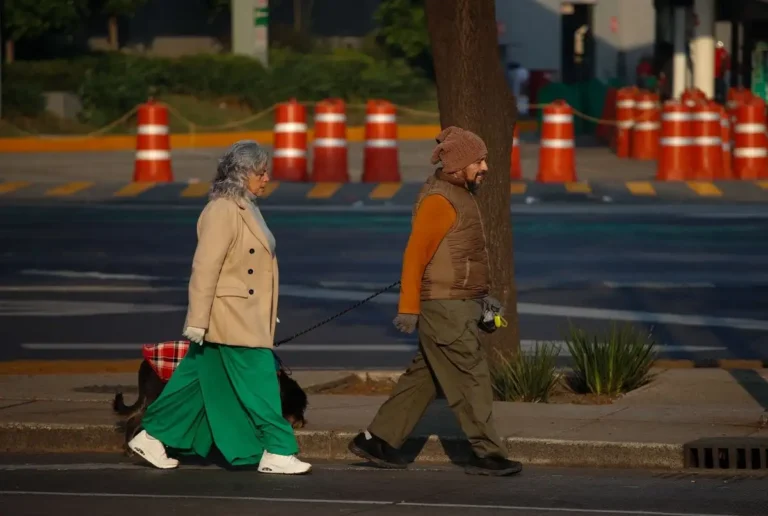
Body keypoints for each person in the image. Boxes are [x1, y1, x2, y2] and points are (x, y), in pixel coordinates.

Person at [128, 140, 311, 475]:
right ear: (242, 174)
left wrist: (265, 308)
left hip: (243, 311)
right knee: (260, 383)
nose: (266, 178)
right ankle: (278, 450)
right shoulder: (222, 210)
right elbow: (205, 267)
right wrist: (198, 320)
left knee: (194, 384)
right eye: (260, 172)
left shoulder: (245, 205)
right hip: (229, 315)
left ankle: (152, 436)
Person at [347, 126, 522, 477]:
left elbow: (461, 256)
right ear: (458, 165)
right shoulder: (439, 201)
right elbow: (415, 256)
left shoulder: (458, 194)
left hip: (458, 303)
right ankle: (486, 452)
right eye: (479, 161)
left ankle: (377, 440)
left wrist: (483, 300)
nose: (485, 167)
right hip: (445, 307)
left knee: (425, 376)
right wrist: (408, 309)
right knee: (471, 377)